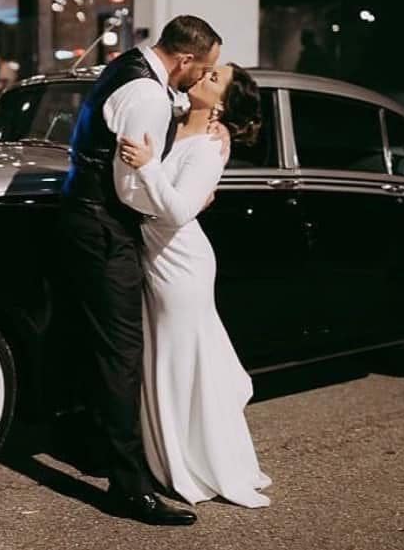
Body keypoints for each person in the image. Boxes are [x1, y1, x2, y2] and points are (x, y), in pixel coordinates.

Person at [59, 15, 224, 526]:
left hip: (85, 218)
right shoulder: (150, 95)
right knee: (122, 354)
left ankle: (99, 450)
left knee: (103, 346)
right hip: (107, 227)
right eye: (205, 69)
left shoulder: (127, 70)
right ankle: (128, 487)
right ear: (186, 59)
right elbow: (132, 189)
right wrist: (172, 193)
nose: (202, 81)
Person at [118, 63, 273, 508]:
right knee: (171, 362)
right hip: (155, 254)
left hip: (181, 264)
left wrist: (148, 168)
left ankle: (184, 466)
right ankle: (170, 457)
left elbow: (180, 211)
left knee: (177, 365)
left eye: (214, 78)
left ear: (221, 104)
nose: (204, 74)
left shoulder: (209, 146)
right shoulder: (172, 117)